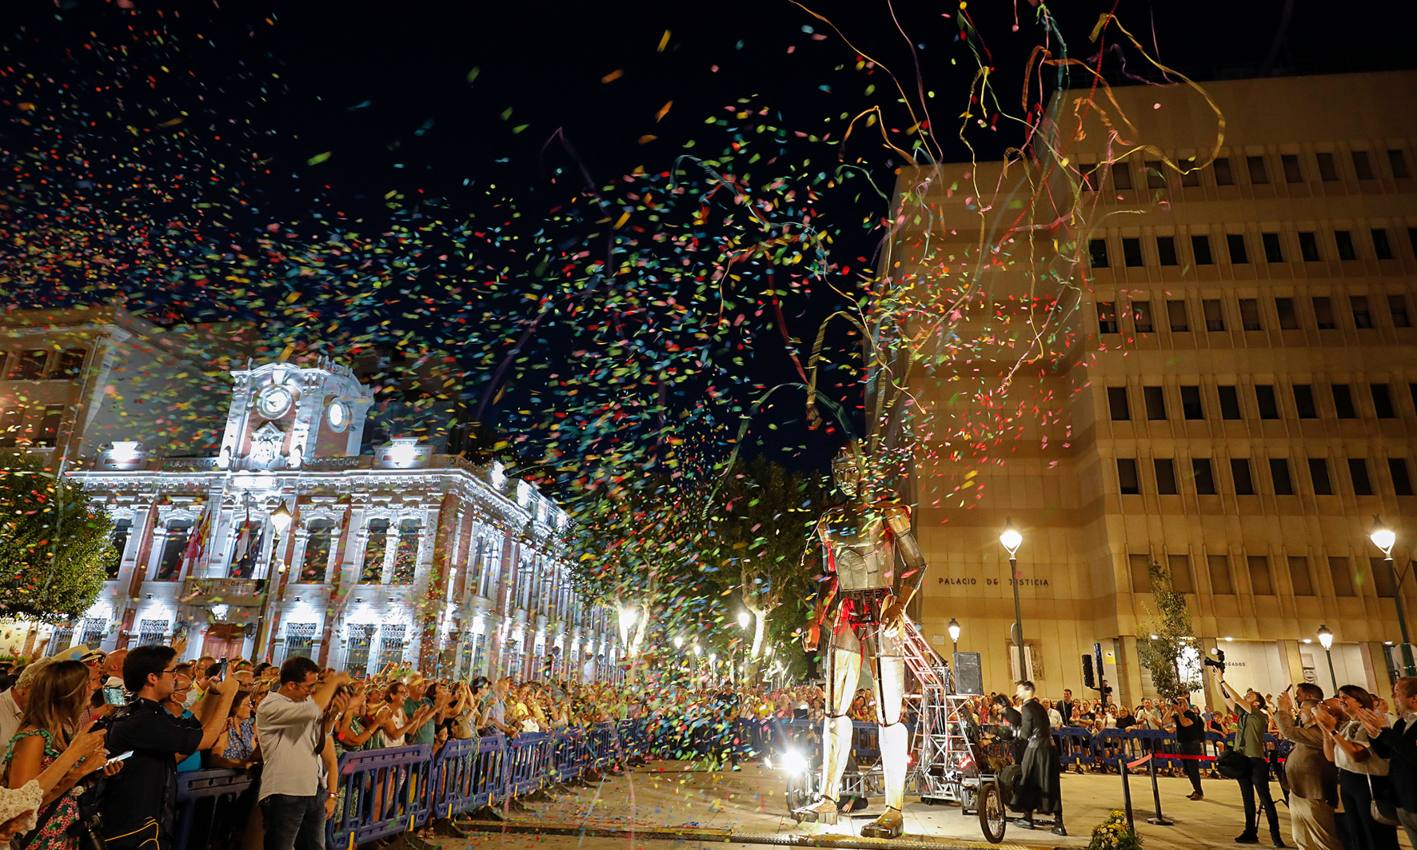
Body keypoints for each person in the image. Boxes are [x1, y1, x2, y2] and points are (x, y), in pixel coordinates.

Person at [98, 645, 239, 850]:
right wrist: (228, 697)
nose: (176, 677)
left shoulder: (147, 711)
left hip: (145, 822)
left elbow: (189, 726)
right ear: (152, 678)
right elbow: (205, 740)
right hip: (135, 827)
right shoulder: (143, 720)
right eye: (172, 671)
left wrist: (213, 693)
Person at [255, 657, 349, 850]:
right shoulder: (271, 706)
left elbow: (318, 740)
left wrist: (331, 717)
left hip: (312, 789)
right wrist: (333, 681)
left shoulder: (304, 704)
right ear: (291, 685)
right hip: (285, 790)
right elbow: (310, 711)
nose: (312, 691)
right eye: (309, 686)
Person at [3, 661, 98, 849]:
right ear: (67, 692)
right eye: (87, 684)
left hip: (59, 832)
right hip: (37, 837)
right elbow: (20, 804)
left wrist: (93, 770)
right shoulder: (34, 736)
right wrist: (77, 769)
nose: (93, 688)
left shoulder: (61, 732)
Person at [1317, 685, 1398, 850]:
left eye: (1345, 697)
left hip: (1367, 782)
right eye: (1340, 698)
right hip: (1348, 779)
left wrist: (1333, 731)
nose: (1341, 701)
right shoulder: (1348, 725)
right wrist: (1326, 731)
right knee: (1356, 832)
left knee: (1375, 833)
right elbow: (1331, 757)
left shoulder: (1370, 721)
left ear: (1360, 702)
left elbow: (1358, 755)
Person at [1215, 670, 1285, 847]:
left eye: (1250, 695)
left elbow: (1237, 699)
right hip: (1241, 760)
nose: (1246, 695)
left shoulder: (1259, 714)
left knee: (1265, 798)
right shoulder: (1244, 714)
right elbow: (1225, 698)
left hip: (1256, 761)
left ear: (1256, 702)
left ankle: (1276, 835)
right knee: (1247, 798)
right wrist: (1216, 678)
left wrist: (1223, 681)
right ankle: (1250, 832)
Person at [1273, 685, 1340, 850]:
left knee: (1324, 840)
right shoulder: (1307, 728)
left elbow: (1288, 731)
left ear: (1314, 714)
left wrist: (1283, 710)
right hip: (1298, 790)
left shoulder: (1320, 731)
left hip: (1313, 792)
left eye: (1302, 709)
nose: (1299, 712)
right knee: (1302, 838)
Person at [1360, 676, 1417, 847]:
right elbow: (1387, 753)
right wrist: (1374, 732)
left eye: (1397, 693)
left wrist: (1384, 730)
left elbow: (1413, 755)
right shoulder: (1401, 724)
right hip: (1403, 798)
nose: (1394, 698)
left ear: (1414, 698)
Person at [1010, 681, 1064, 836]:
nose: (1017, 692)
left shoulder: (1026, 707)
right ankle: (1059, 822)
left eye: (1019, 689)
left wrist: (1016, 730)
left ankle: (1028, 818)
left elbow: (1026, 733)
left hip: (1036, 749)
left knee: (1028, 781)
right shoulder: (1040, 706)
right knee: (1050, 783)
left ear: (1028, 690)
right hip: (1050, 749)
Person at [1170, 695, 1206, 800]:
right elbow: (1165, 720)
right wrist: (1171, 708)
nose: (1179, 706)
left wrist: (1179, 711)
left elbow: (1185, 723)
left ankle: (1199, 792)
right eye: (1178, 703)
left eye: (1181, 703)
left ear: (1186, 705)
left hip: (1192, 745)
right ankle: (1196, 790)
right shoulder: (1178, 715)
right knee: (1188, 770)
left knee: (1193, 769)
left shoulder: (1192, 715)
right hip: (1183, 745)